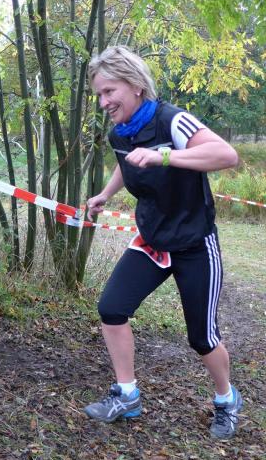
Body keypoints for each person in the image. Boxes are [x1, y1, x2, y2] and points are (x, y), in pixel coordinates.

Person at [84, 46, 242, 439]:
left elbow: (226, 155)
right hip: (153, 240)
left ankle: (226, 399)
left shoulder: (172, 120)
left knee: (201, 337)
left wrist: (164, 157)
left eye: (109, 91)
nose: (103, 102)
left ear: (136, 85)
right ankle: (127, 395)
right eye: (99, 95)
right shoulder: (119, 132)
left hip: (194, 243)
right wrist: (106, 194)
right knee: (111, 309)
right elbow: (126, 162)